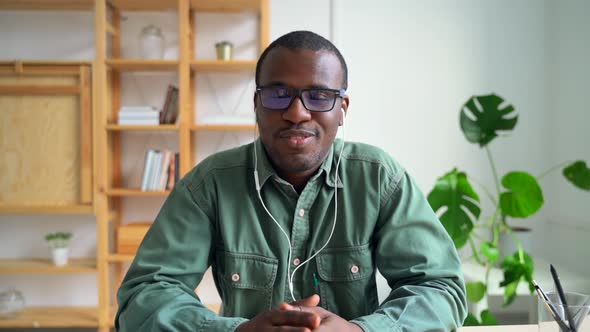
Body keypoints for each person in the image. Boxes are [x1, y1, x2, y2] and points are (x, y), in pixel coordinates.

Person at [116, 30, 467, 332]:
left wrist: (362, 329)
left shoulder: (378, 178)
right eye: (278, 94)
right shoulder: (210, 184)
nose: (297, 112)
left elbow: (439, 287)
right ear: (256, 104)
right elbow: (144, 295)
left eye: (319, 96)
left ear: (342, 109)